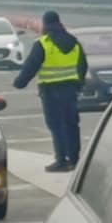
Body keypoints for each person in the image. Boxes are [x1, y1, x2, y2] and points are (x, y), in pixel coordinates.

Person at [13, 9, 89, 173]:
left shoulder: (43, 43)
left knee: (56, 125)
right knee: (71, 124)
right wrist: (79, 84)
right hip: (70, 90)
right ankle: (74, 159)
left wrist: (19, 83)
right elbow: (83, 65)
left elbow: (31, 66)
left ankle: (61, 160)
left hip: (50, 91)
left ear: (45, 24)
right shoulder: (74, 42)